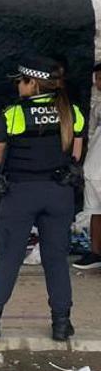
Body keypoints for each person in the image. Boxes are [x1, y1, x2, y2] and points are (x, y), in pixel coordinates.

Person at [0, 57, 84, 342]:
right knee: (56, 259)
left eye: (20, 80)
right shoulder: (71, 111)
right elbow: (75, 156)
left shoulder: (13, 113)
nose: (17, 85)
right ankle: (61, 323)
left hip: (21, 193)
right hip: (59, 194)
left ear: (32, 83)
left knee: (9, 257)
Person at [75, 62, 101, 270]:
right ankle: (95, 253)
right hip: (93, 169)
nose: (99, 83)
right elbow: (91, 135)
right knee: (94, 212)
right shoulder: (98, 106)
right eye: (97, 79)